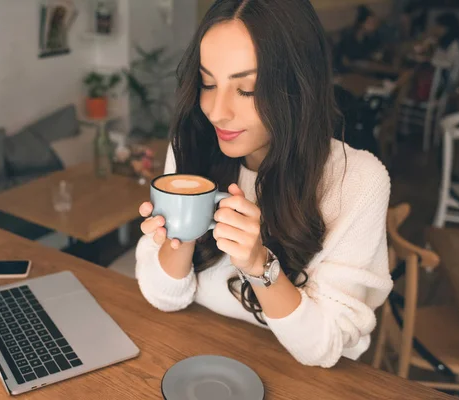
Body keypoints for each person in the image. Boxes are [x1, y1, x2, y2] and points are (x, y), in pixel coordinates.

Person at [135, 0, 392, 368]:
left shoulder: (357, 180)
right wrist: (182, 233)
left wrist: (259, 265)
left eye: (247, 90)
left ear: (299, 87)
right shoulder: (195, 146)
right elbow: (163, 297)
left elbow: (325, 347)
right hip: (194, 357)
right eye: (208, 83)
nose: (217, 111)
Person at [333, 6, 383, 72]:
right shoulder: (347, 37)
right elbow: (344, 61)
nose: (373, 26)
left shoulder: (369, 38)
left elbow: (371, 56)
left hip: (362, 73)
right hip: (345, 73)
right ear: (361, 23)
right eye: (369, 23)